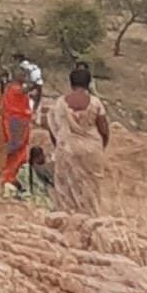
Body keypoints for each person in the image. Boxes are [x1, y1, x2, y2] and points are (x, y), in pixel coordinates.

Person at [47, 63, 109, 215]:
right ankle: (89, 217)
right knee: (91, 185)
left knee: (66, 186)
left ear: (71, 83)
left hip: (67, 147)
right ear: (88, 83)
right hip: (91, 148)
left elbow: (52, 126)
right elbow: (104, 129)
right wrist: (101, 146)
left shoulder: (60, 103)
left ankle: (67, 217)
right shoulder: (95, 103)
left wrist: (58, 144)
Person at [1, 67, 34, 191]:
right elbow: (25, 90)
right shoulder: (14, 89)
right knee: (15, 147)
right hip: (16, 121)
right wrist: (34, 85)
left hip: (19, 120)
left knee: (19, 149)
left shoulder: (11, 88)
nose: (25, 77)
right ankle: (6, 176)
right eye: (23, 75)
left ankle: (11, 175)